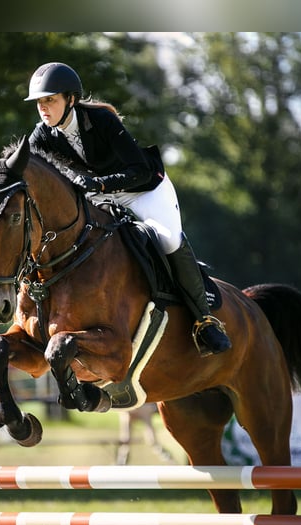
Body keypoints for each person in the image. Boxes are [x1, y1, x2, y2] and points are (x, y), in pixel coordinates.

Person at [24, 62, 231, 357]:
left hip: (143, 189)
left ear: (70, 99)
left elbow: (141, 171)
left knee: (168, 238)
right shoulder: (41, 136)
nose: (44, 108)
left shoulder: (101, 121)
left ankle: (204, 321)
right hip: (99, 198)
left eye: (50, 100)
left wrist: (101, 184)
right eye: (40, 103)